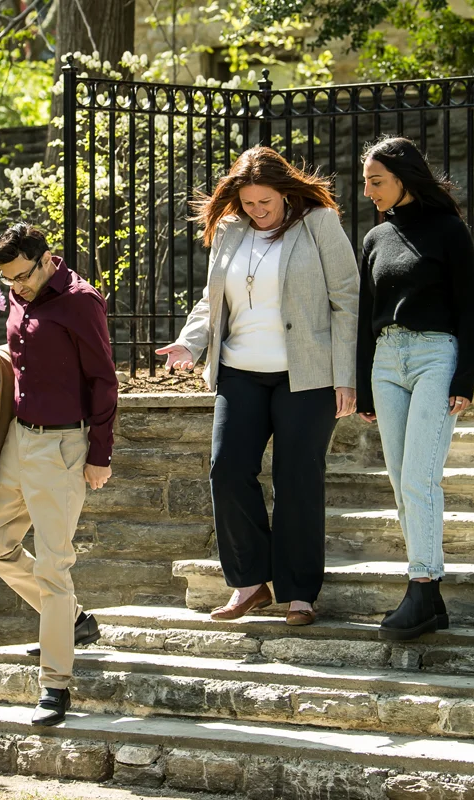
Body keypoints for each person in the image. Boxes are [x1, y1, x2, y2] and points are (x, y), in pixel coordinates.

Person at [157, 146, 359, 627]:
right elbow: (211, 302)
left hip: (307, 376)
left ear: (285, 193)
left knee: (297, 480)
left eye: (265, 202)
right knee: (226, 470)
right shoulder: (229, 232)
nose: (258, 211)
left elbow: (347, 301)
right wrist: (190, 344)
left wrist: (347, 378)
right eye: (249, 203)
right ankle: (250, 585)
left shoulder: (319, 223)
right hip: (239, 371)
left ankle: (299, 594)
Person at [0, 223, 118, 726]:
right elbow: (23, 357)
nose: (16, 287)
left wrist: (100, 453)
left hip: (63, 446)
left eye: (22, 277)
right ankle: (71, 619)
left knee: (54, 566)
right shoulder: (20, 295)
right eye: (8, 281)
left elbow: (103, 379)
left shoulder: (81, 302)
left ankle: (55, 685)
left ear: (47, 258)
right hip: (18, 438)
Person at [355, 136, 474, 641]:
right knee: (399, 481)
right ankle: (430, 598)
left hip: (436, 356)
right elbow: (367, 317)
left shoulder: (450, 231)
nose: (368, 191)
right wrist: (365, 385)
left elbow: (471, 307)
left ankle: (422, 584)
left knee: (419, 480)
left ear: (404, 177)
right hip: (387, 361)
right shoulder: (373, 240)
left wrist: (465, 378)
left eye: (377, 181)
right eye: (366, 181)